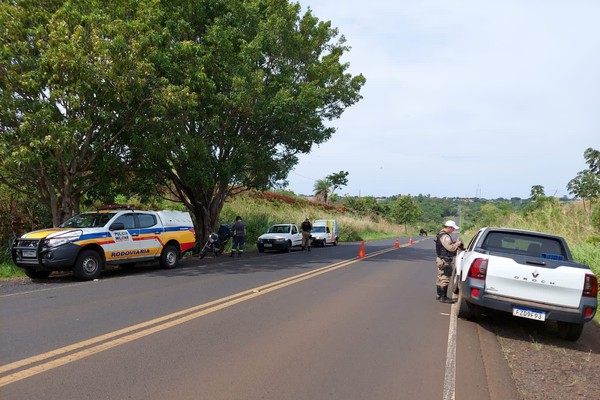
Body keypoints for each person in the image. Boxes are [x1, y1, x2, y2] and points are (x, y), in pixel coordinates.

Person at [434, 220, 463, 303]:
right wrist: (457, 244)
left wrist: (453, 243)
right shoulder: (445, 236)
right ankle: (443, 297)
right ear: (449, 228)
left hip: (441, 259)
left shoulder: (441, 234)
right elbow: (450, 248)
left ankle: (439, 295)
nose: (453, 230)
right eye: (453, 228)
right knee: (445, 278)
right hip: (445, 260)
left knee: (440, 277)